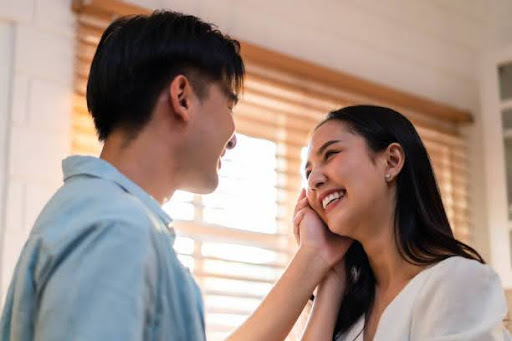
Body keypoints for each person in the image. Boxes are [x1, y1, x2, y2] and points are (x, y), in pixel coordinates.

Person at [0, 10, 349, 341]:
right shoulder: (115, 229)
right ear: (182, 97)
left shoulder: (99, 215)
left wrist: (314, 256)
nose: (234, 137)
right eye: (228, 105)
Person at [294, 105, 511, 340]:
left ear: (392, 160)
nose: (314, 180)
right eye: (308, 173)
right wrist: (331, 280)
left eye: (330, 154)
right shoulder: (349, 311)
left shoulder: (458, 281)